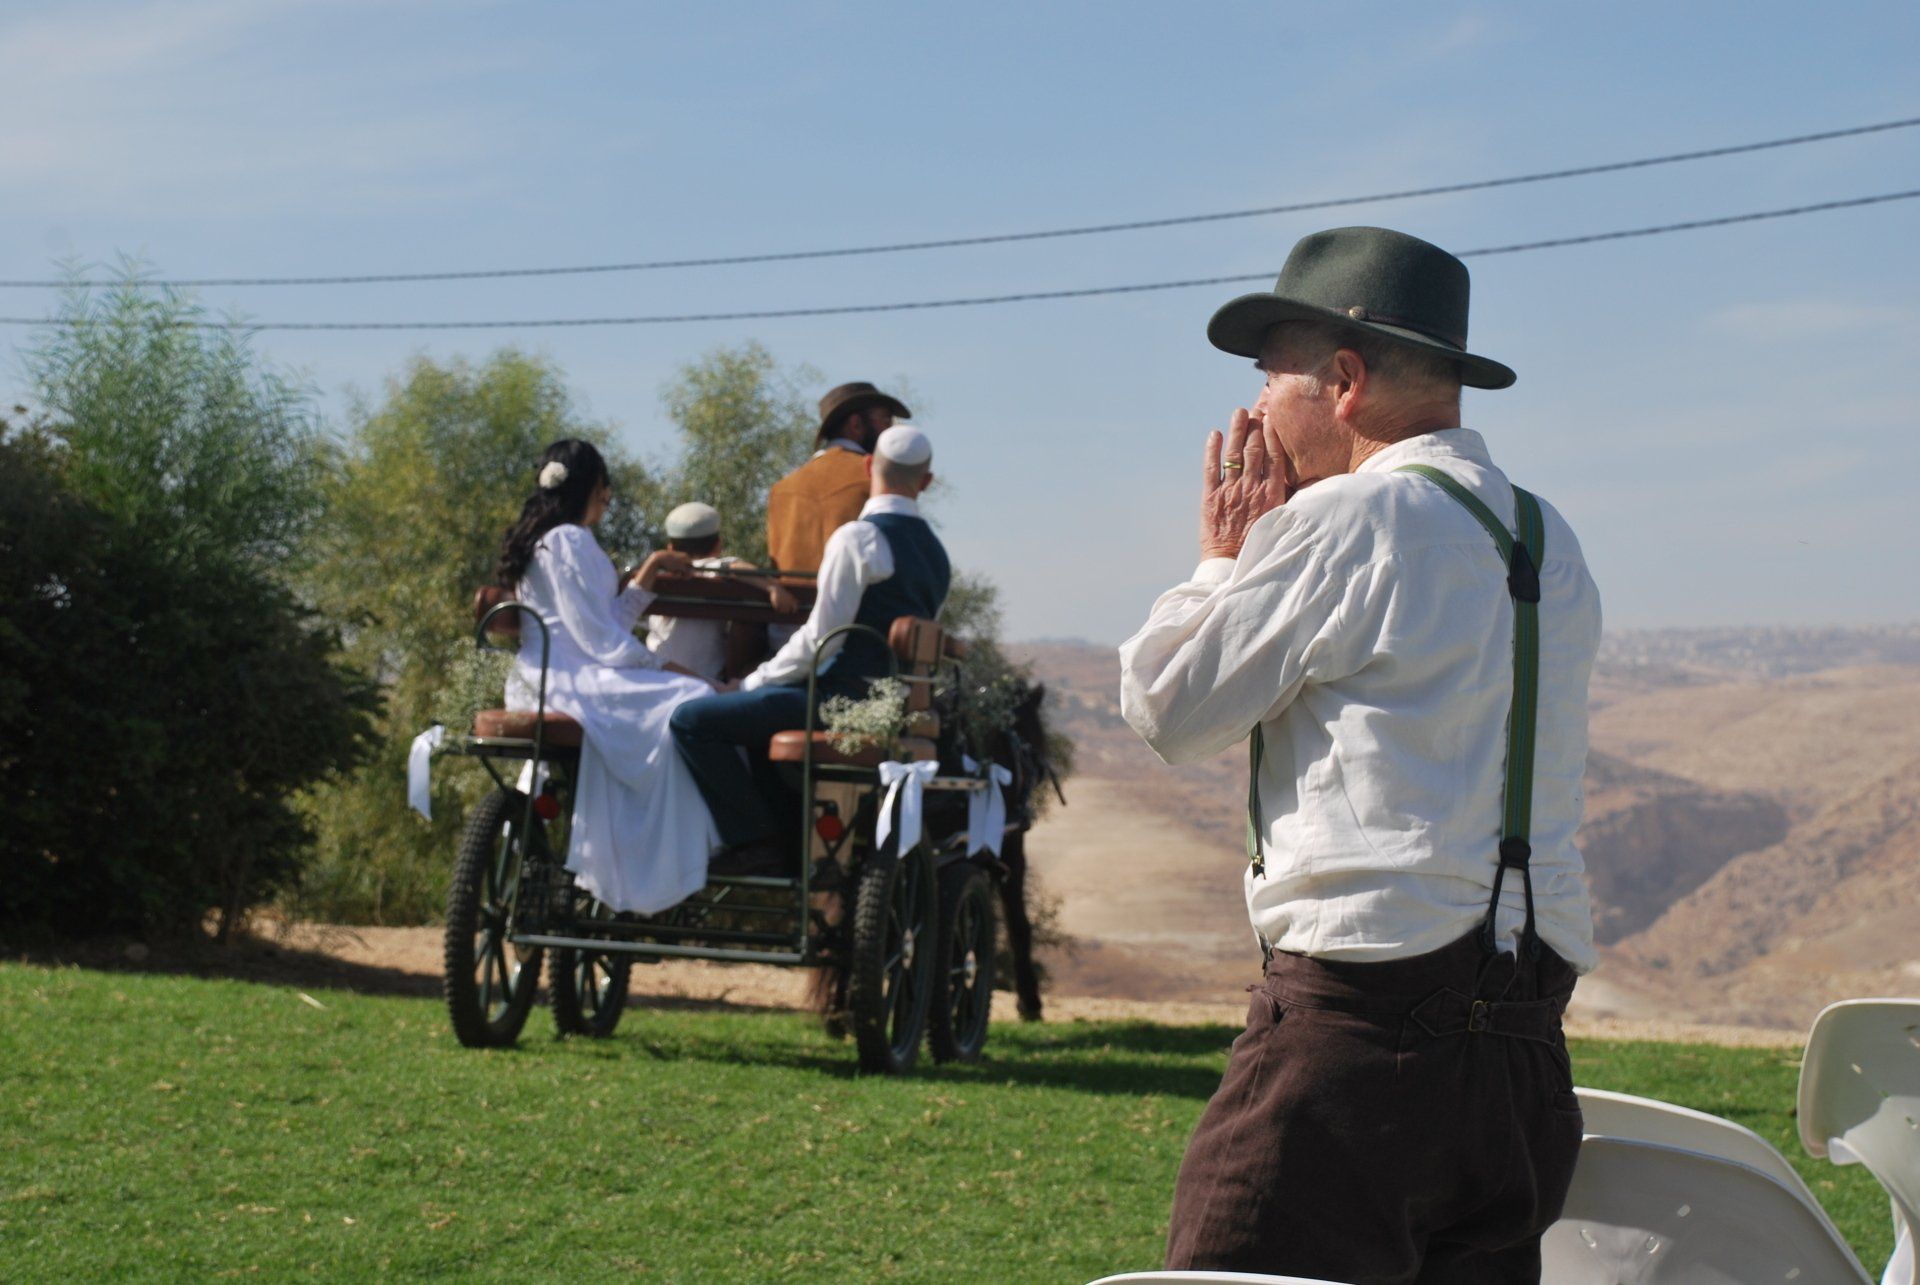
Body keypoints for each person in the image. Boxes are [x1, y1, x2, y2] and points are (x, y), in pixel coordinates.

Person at [1119, 226, 1602, 1282]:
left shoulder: (1351, 518)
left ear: (1342, 381)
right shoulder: (1547, 536)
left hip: (1357, 1038)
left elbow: (1169, 707)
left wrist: (1221, 559)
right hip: (1523, 1055)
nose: (1255, 413)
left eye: (1270, 378)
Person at [672, 424, 948, 877]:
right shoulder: (937, 555)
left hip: (839, 701)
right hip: (891, 705)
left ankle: (756, 841)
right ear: (926, 482)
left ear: (868, 466)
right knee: (760, 714)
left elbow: (822, 639)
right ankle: (786, 840)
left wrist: (749, 683)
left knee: (691, 721)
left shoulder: (858, 539)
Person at [497, 440, 721, 915]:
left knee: (686, 693)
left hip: (551, 673)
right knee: (694, 697)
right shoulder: (570, 541)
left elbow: (602, 626)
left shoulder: (553, 540)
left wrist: (651, 569)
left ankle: (642, 849)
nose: (608, 496)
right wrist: (665, 666)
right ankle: (653, 854)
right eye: (604, 485)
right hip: (571, 679)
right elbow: (600, 638)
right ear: (588, 487)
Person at [765, 381, 912, 574]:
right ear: (856, 425)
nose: (890, 432)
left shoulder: (781, 489)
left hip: (792, 594)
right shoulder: (880, 479)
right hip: (858, 594)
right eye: (885, 421)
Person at [644, 501, 799, 683]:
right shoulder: (713, 570)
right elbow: (733, 567)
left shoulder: (656, 576)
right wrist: (773, 588)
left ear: (670, 548)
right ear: (718, 545)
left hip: (654, 676)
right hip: (705, 679)